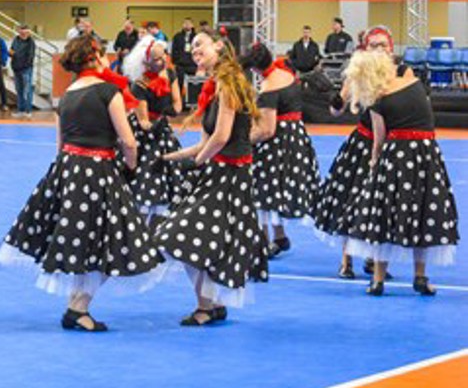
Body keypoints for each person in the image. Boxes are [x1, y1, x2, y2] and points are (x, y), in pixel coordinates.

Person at [0, 35, 165, 332]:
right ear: (95, 57)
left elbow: (61, 145)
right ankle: (78, 308)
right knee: (115, 242)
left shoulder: (67, 95)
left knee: (82, 240)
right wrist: (131, 167)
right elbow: (128, 141)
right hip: (99, 171)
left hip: (69, 169)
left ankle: (77, 305)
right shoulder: (108, 91)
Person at [156, 33, 268, 326]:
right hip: (219, 174)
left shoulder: (229, 83)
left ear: (218, 46)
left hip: (230, 177)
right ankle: (209, 304)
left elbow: (221, 137)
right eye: (192, 48)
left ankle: (206, 306)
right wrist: (168, 158)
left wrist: (195, 163)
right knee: (197, 239)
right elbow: (206, 142)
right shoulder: (215, 86)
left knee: (182, 237)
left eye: (199, 45)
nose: (194, 51)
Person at [340, 50, 458, 296]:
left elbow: (378, 140)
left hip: (397, 157)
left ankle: (378, 280)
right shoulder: (413, 81)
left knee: (384, 215)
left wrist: (373, 164)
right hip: (426, 153)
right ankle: (420, 276)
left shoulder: (378, 98)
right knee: (424, 212)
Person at [311, 26, 415, 278]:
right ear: (366, 48)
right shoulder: (359, 71)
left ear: (391, 47)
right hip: (364, 142)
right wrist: (337, 97)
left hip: (392, 145)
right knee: (350, 199)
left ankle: (373, 259)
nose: (379, 49)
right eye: (373, 45)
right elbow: (337, 111)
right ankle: (346, 261)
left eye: (383, 44)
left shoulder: (403, 71)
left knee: (382, 203)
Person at [242, 44, 320, 258]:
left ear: (254, 69)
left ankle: (263, 242)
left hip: (278, 142)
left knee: (262, 190)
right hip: (296, 135)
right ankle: (279, 237)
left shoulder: (269, 87)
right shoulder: (286, 73)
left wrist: (242, 140)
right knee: (274, 189)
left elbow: (267, 130)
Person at [122, 39, 183, 221]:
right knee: (148, 164)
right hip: (146, 130)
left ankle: (161, 206)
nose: (163, 61)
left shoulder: (171, 73)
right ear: (146, 62)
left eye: (164, 56)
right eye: (157, 59)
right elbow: (144, 121)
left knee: (169, 163)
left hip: (161, 124)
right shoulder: (140, 84)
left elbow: (177, 104)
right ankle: (141, 206)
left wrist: (171, 112)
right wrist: (159, 120)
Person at [10, 24, 36, 119]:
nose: (23, 33)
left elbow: (30, 56)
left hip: (26, 69)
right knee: (19, 90)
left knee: (27, 90)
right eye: (21, 31)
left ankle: (28, 111)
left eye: (25, 31)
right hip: (16, 68)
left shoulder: (31, 42)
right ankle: (21, 110)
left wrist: (23, 64)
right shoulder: (16, 40)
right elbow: (11, 51)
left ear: (28, 32)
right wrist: (12, 55)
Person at [171, 18, 197, 104]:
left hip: (192, 64)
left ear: (192, 25)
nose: (187, 25)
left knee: (193, 84)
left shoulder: (196, 37)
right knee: (179, 83)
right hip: (180, 65)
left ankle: (192, 102)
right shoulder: (177, 36)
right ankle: (179, 102)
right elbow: (173, 50)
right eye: (185, 23)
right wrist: (175, 61)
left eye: (189, 23)